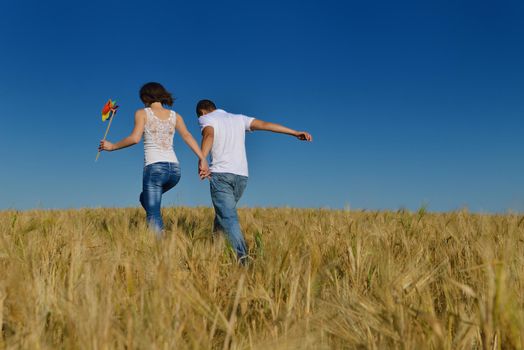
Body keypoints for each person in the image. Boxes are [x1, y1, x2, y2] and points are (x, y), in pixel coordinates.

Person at [196, 99, 312, 263]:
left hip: (221, 174)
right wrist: (294, 132)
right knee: (224, 214)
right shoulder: (239, 118)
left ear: (202, 112)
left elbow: (209, 134)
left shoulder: (206, 118)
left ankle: (244, 260)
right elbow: (265, 125)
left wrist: (202, 158)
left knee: (228, 217)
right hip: (242, 177)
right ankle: (215, 250)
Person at [99, 82, 209, 235]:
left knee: (153, 214)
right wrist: (202, 158)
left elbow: (135, 138)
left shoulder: (142, 113)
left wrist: (112, 147)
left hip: (154, 169)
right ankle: (161, 229)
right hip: (174, 171)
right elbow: (187, 136)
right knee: (144, 198)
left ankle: (160, 247)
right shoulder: (175, 116)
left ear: (146, 97)